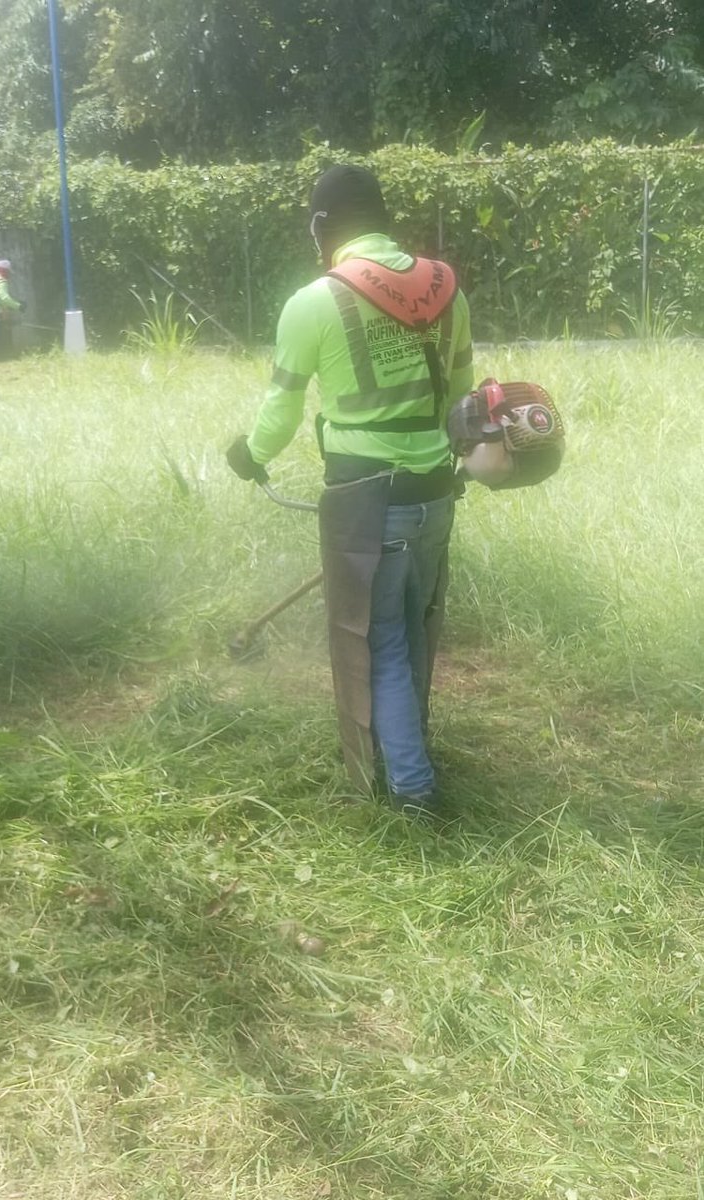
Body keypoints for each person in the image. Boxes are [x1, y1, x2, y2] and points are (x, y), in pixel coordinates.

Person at [226, 164, 473, 814]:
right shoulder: (447, 289)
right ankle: (408, 750)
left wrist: (249, 455)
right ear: (384, 219)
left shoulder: (315, 301)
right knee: (415, 631)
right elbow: (462, 398)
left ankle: (411, 791)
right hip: (437, 494)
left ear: (322, 225)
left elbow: (281, 411)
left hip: (367, 505)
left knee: (378, 643)